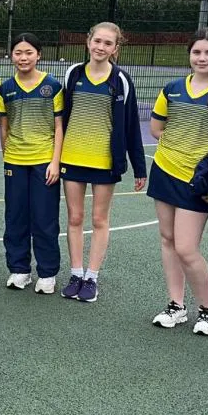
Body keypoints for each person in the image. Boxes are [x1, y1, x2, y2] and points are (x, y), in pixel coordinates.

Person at [146, 27, 208, 335]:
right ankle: (176, 306)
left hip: (197, 181)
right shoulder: (172, 89)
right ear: (189, 54)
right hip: (164, 171)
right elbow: (156, 129)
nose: (202, 58)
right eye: (197, 52)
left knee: (187, 248)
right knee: (167, 240)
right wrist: (178, 143)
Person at [59, 22, 148, 303]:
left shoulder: (121, 80)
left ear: (115, 48)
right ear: (88, 42)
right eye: (97, 41)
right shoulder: (73, 74)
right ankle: (75, 274)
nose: (101, 47)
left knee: (99, 219)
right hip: (72, 157)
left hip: (104, 161)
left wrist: (139, 167)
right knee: (74, 218)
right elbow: (61, 118)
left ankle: (91, 278)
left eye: (108, 43)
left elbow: (131, 125)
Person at [0, 33, 64, 294]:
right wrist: (8, 157)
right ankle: (19, 269)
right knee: (15, 217)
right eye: (18, 53)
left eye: (28, 52)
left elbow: (59, 127)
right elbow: (4, 128)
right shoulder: (5, 89)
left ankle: (47, 272)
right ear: (11, 56)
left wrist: (55, 162)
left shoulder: (53, 86)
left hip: (44, 161)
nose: (23, 58)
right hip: (15, 161)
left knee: (45, 218)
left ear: (38, 55)